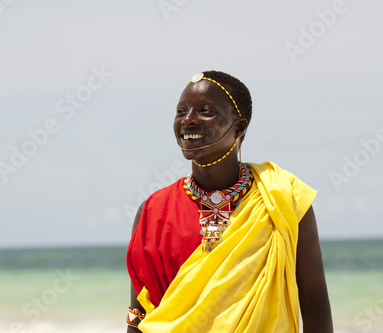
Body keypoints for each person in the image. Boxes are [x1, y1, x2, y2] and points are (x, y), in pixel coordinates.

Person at [126, 70, 333, 332]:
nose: (188, 120)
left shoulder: (283, 199)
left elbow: (314, 303)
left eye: (205, 111)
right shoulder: (153, 211)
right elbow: (138, 311)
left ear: (239, 127)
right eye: (181, 111)